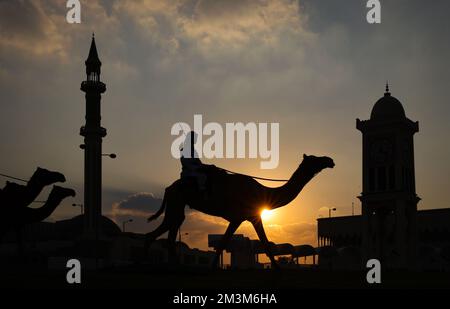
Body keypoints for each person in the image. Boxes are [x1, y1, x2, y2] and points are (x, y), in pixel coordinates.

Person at [180, 131, 208, 197]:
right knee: (202, 176)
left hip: (195, 170)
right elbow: (186, 163)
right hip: (188, 172)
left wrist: (206, 166)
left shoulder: (194, 151)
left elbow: (198, 162)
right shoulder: (185, 150)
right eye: (194, 138)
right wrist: (198, 167)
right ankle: (201, 193)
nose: (196, 140)